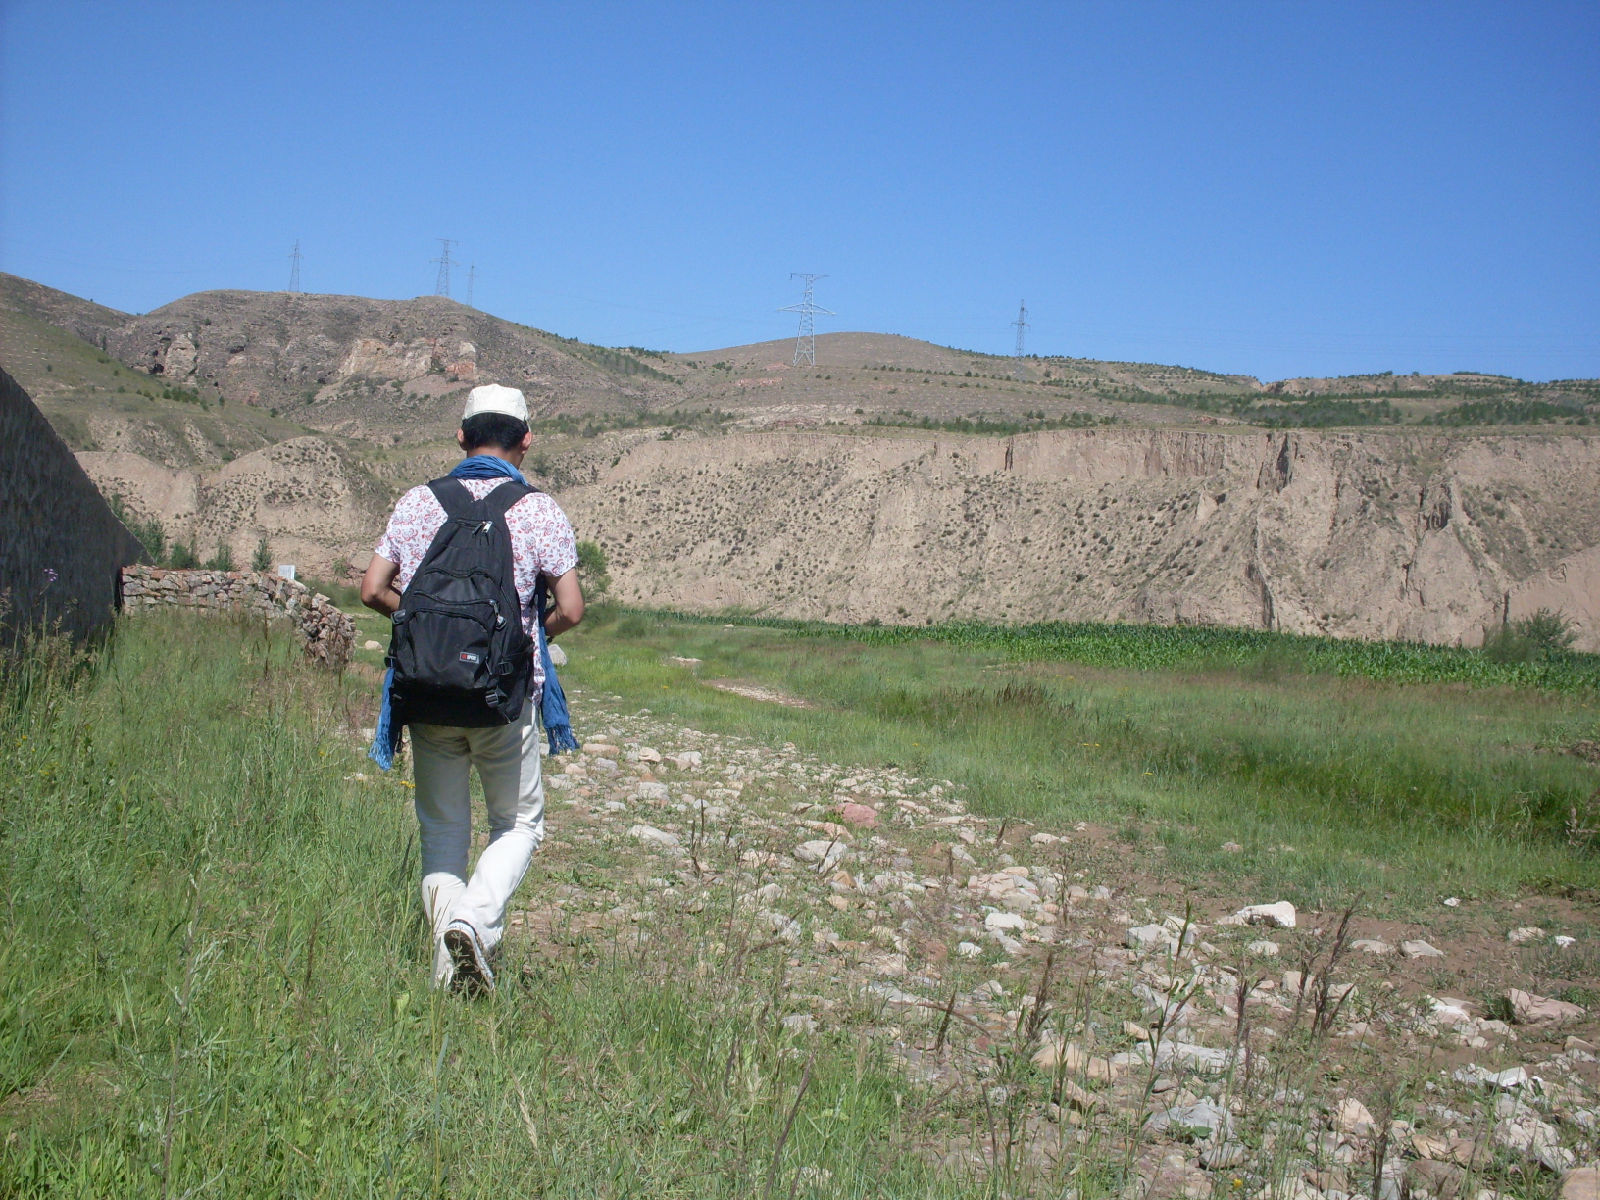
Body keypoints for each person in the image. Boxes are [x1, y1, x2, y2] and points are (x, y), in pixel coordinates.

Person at [361, 384, 583, 992]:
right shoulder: (539, 510)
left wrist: (432, 634)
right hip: (502, 698)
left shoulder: (416, 503)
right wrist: (522, 636)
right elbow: (570, 606)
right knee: (518, 826)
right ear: (527, 441)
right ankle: (473, 924)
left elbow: (372, 589)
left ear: (460, 438)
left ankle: (447, 974)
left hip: (425, 693)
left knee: (441, 837)